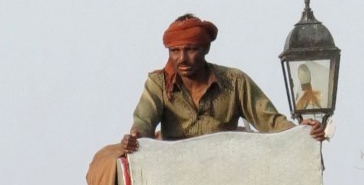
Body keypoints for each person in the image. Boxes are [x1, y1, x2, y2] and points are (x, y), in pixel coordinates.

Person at [120, 14, 325, 152]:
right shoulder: (158, 83)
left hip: (225, 175)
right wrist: (136, 137)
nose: (182, 58)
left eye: (190, 49)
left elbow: (269, 121)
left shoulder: (234, 82)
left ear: (205, 49)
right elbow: (143, 122)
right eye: (175, 51)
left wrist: (300, 131)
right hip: (175, 177)